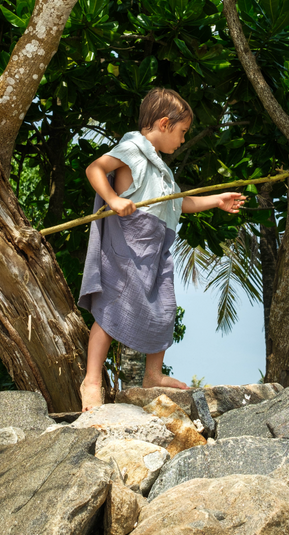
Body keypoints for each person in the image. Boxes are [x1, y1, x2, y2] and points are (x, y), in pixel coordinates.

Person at [78, 87, 245, 411]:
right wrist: (113, 199)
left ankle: (153, 374)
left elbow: (180, 203)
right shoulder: (133, 148)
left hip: (156, 252)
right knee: (111, 312)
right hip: (130, 245)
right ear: (165, 124)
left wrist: (218, 200)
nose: (182, 141)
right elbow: (94, 169)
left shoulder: (162, 170)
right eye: (182, 133)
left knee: (165, 310)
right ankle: (93, 380)